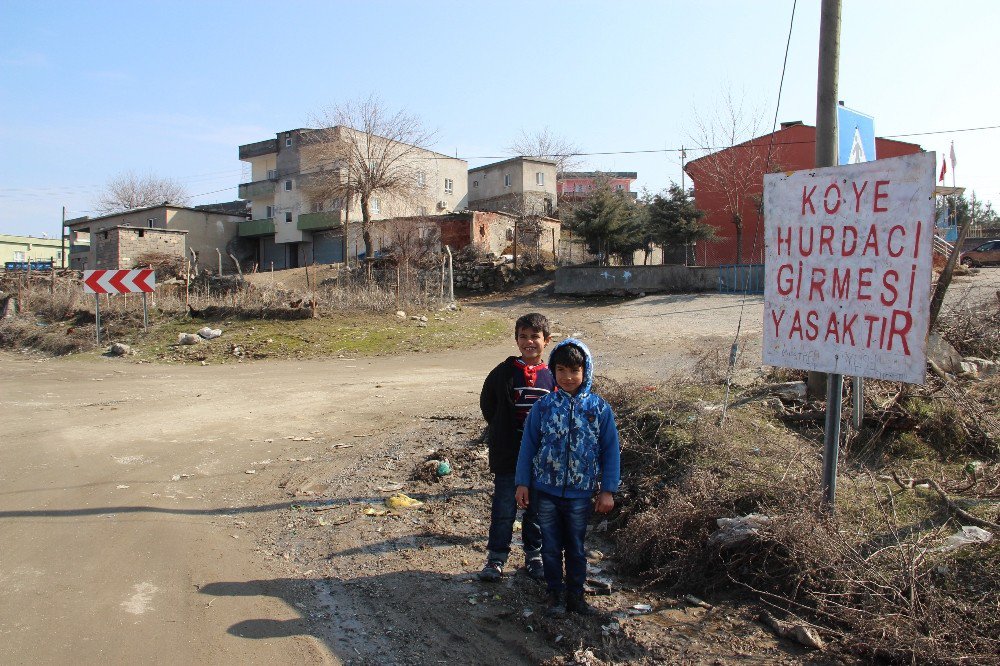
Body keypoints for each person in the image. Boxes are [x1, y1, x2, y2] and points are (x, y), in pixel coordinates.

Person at [514, 338, 620, 616]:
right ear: (553, 371)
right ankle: (555, 595)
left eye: (574, 370)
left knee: (575, 546)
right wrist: (522, 483)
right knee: (549, 547)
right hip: (545, 490)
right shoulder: (544, 406)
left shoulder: (598, 409)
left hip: (580, 493)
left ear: (586, 371)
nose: (568, 377)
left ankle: (576, 595)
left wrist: (607, 490)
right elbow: (528, 446)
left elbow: (610, 451)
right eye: (561, 370)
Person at [478, 313, 556, 582]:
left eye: (534, 336)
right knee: (503, 508)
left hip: (542, 459)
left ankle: (534, 556)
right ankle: (496, 558)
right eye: (523, 337)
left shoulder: (553, 377)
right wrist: (501, 430)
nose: (528, 342)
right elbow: (488, 404)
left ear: (547, 340)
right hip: (510, 455)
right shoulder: (503, 372)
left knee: (536, 510)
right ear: (516, 339)